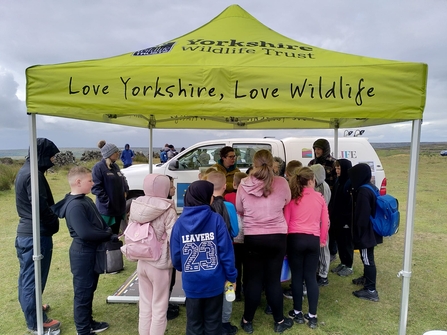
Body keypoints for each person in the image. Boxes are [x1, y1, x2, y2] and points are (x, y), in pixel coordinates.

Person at [235, 149, 293, 334]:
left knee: (253, 281)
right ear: (272, 163)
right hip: (277, 237)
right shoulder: (282, 182)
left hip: (253, 237)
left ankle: (247, 321)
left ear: (254, 163)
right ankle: (279, 321)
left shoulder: (244, 184)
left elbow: (239, 209)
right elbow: (287, 201)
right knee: (273, 281)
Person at [51, 167, 113, 335]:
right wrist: (107, 234)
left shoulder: (84, 200)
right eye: (89, 181)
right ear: (78, 182)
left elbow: (98, 222)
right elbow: (85, 232)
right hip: (83, 254)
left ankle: (88, 322)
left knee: (90, 289)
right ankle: (83, 330)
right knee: (83, 292)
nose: (92, 183)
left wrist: (106, 231)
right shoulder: (75, 205)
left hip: (91, 251)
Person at [170, 180, 237, 335]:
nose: (213, 198)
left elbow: (176, 257)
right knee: (213, 323)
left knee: (193, 324)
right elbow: (226, 253)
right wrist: (231, 276)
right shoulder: (216, 220)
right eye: (211, 194)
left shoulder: (179, 224)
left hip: (192, 283)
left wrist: (187, 268)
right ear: (204, 197)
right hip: (214, 282)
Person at [14, 138, 61, 335]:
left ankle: (32, 305)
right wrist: (54, 223)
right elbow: (40, 206)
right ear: (41, 154)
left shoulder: (27, 171)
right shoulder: (33, 175)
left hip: (29, 233)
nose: (53, 160)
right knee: (32, 279)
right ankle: (35, 322)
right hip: (35, 234)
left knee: (28, 275)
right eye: (51, 155)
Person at [128, 174, 177, 334]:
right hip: (160, 264)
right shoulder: (167, 208)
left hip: (141, 261)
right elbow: (174, 238)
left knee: (145, 306)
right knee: (159, 307)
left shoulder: (136, 205)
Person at [285, 167, 329, 329]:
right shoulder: (319, 197)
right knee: (310, 277)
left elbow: (286, 222)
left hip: (295, 239)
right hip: (313, 239)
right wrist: (322, 239)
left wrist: (286, 242)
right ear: (311, 181)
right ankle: (312, 315)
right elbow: (325, 221)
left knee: (296, 276)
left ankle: (297, 312)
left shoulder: (292, 198)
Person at [206, 171, 239, 335]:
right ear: (225, 186)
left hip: (209, 252)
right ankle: (224, 322)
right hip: (227, 251)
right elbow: (235, 231)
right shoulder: (230, 207)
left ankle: (211, 319)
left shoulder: (204, 206)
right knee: (228, 286)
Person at [348, 163, 382, 302]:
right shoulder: (371, 186)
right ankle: (366, 278)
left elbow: (362, 216)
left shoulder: (363, 192)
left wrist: (358, 233)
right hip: (372, 229)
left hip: (366, 231)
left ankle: (371, 290)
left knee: (368, 258)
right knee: (366, 256)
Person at [308, 138, 337, 261]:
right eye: (315, 148)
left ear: (325, 150)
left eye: (319, 148)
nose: (316, 151)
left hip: (329, 197)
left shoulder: (333, 163)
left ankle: (332, 252)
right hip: (314, 200)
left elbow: (336, 183)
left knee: (329, 226)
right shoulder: (312, 163)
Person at [92, 140, 129, 235]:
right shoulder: (99, 167)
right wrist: (107, 202)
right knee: (107, 235)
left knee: (115, 235)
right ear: (109, 154)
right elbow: (96, 187)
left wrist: (125, 189)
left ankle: (114, 250)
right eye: (115, 152)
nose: (118, 154)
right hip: (107, 211)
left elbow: (122, 178)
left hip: (118, 209)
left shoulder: (115, 166)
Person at [329, 159, 355, 277]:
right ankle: (343, 262)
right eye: (336, 168)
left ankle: (349, 265)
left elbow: (350, 204)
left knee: (346, 242)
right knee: (339, 241)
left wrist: (346, 219)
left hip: (346, 219)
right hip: (337, 217)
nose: (337, 170)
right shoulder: (338, 180)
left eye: (339, 168)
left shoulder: (350, 183)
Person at [224, 172, 247, 302]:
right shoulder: (250, 196)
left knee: (235, 265)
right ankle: (246, 288)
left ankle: (236, 292)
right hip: (247, 235)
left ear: (234, 183)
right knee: (247, 265)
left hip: (233, 238)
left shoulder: (228, 196)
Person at [309, 164, 331, 287]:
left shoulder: (322, 187)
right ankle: (319, 271)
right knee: (318, 248)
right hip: (317, 221)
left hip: (321, 222)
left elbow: (322, 206)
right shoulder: (318, 186)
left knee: (323, 248)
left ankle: (323, 275)